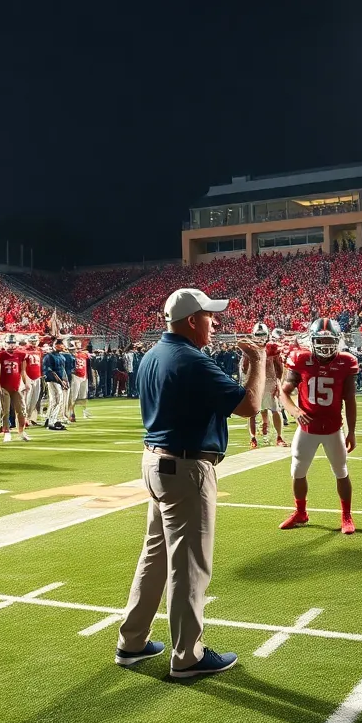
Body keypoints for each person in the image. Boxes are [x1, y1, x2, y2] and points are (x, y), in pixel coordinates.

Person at [115, 288, 266, 678]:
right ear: (191, 320)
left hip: (155, 460)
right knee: (190, 564)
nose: (215, 323)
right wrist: (260, 363)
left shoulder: (154, 354)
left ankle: (132, 641)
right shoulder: (188, 358)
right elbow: (249, 405)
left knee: (156, 557)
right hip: (185, 467)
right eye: (209, 316)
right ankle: (188, 655)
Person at [278, 317, 359, 534]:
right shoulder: (301, 359)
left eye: (329, 341)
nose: (325, 346)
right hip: (307, 428)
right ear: (312, 341)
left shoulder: (345, 362)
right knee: (298, 470)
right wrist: (294, 410)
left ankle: (346, 516)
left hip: (333, 428)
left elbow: (349, 400)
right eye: (320, 342)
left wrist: (351, 431)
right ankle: (300, 512)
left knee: (341, 471)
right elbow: (283, 392)